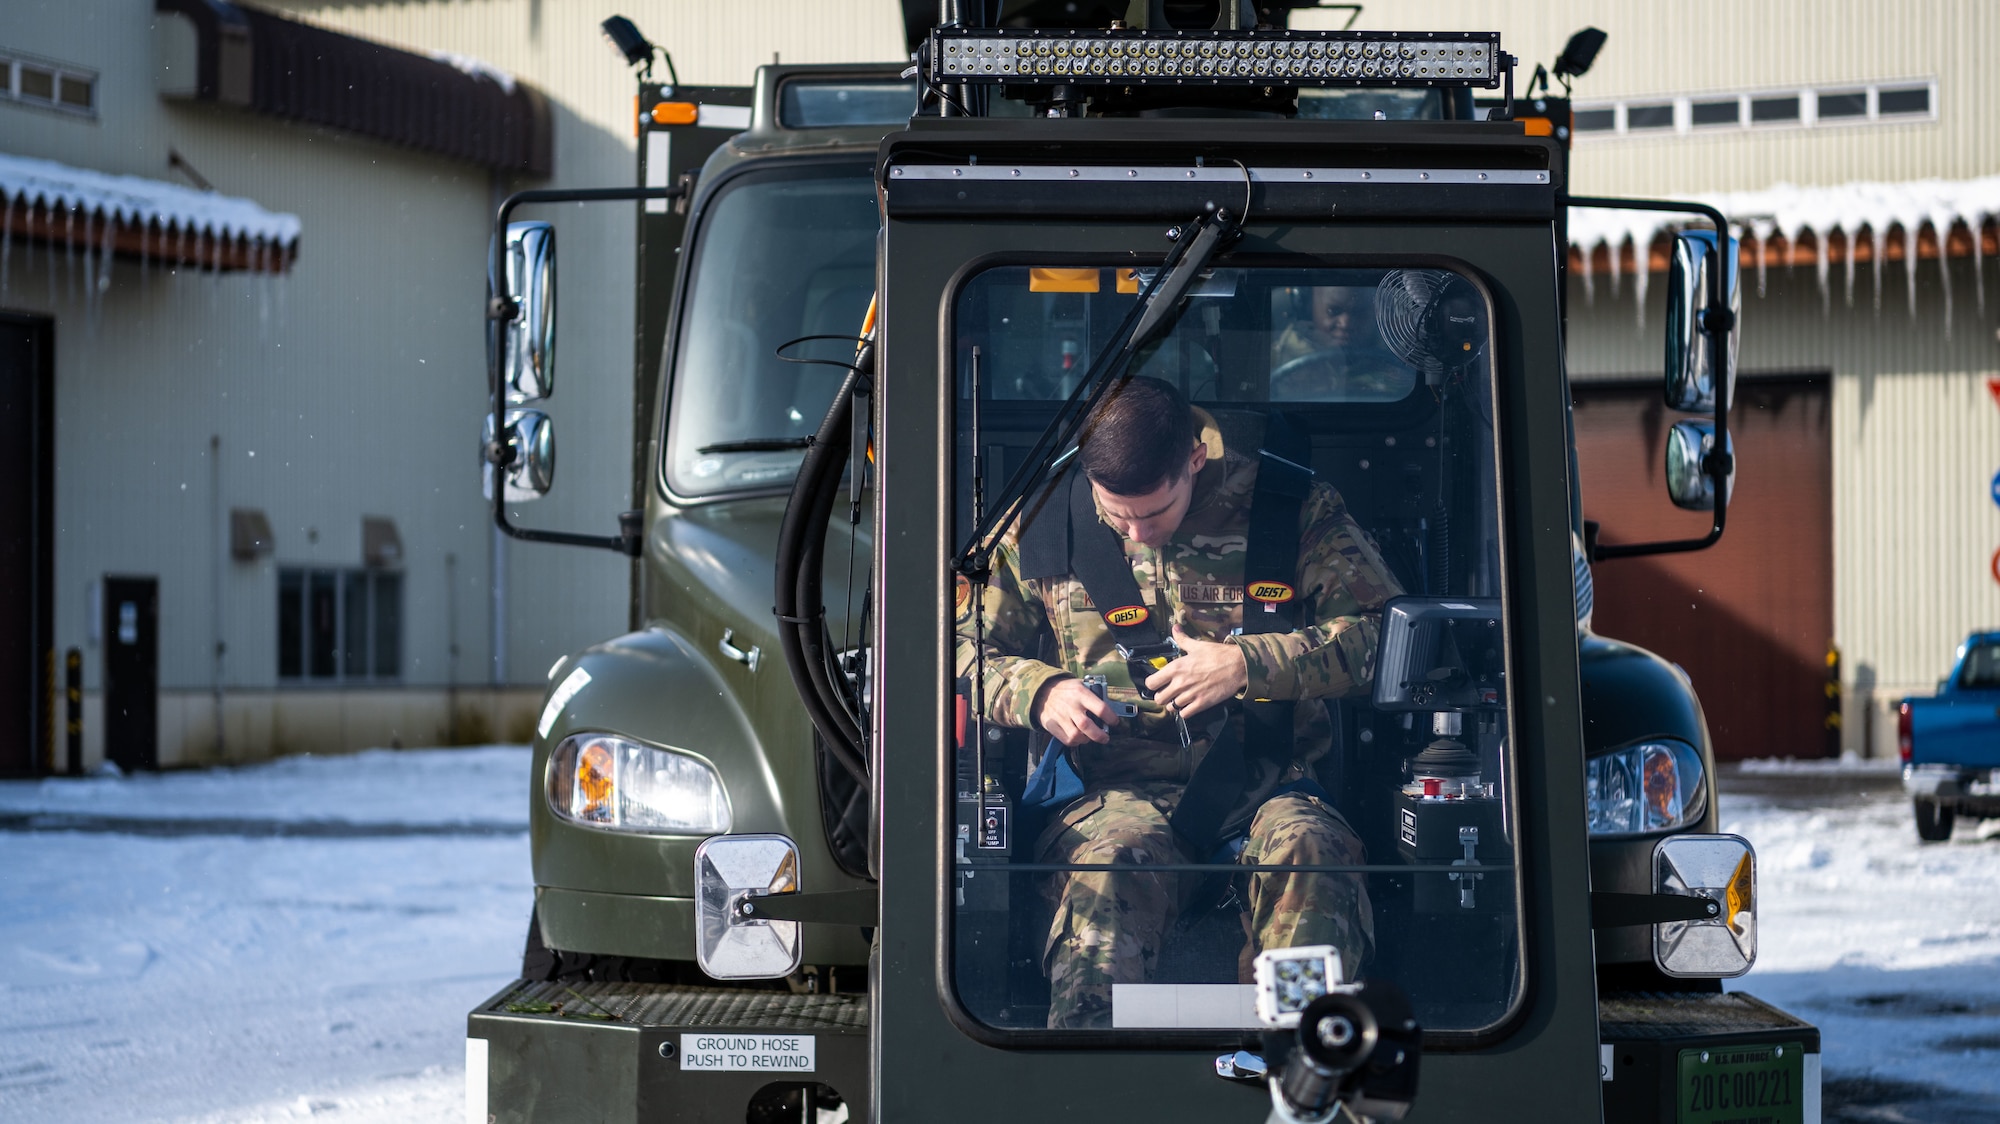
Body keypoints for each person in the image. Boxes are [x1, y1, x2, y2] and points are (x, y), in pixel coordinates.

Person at [955, 375, 1402, 1029]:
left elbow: (1384, 635)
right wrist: (1039, 690)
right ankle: (1085, 1082)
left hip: (1267, 788)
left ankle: (1303, 1062)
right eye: (1119, 515)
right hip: (1113, 798)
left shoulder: (1287, 509)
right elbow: (954, 651)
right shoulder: (1045, 522)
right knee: (1104, 871)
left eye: (1154, 514)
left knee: (1314, 852)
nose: (1136, 533)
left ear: (1195, 457)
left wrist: (1249, 664)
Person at [1269, 285, 1413, 401]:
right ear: (1307, 307)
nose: (1346, 323)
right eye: (1333, 311)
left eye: (1359, 312)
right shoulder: (1275, 357)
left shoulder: (1402, 359)